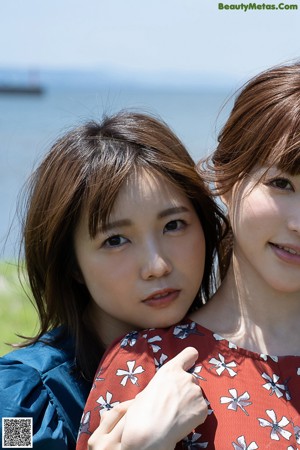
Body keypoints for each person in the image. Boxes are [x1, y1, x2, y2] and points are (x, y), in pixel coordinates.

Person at [77, 62, 300, 450]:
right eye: (281, 183)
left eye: (172, 226)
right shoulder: (148, 367)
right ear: (227, 182)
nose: (299, 222)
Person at [0, 111, 227, 449]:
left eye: (173, 225)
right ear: (72, 263)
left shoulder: (244, 358)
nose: (157, 266)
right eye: (115, 240)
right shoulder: (21, 403)